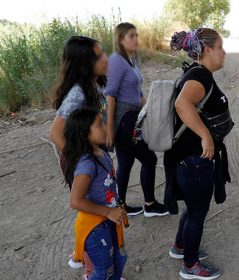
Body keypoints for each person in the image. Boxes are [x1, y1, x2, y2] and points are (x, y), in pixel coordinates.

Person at [165, 27, 232, 280]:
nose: (224, 53)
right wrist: (205, 136)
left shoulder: (198, 73)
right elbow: (182, 104)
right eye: (220, 47)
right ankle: (190, 266)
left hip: (187, 158)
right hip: (192, 159)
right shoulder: (199, 76)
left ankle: (180, 247)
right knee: (197, 213)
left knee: (193, 209)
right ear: (207, 50)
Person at [49, 35, 108, 279]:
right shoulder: (77, 93)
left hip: (92, 159)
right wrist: (82, 162)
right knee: (91, 212)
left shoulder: (95, 84)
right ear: (85, 63)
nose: (105, 58)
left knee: (97, 210)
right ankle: (90, 270)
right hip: (83, 164)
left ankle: (84, 257)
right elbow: (55, 133)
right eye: (99, 55)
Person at [105, 22, 168, 217]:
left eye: (136, 35)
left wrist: (151, 110)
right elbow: (110, 94)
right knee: (149, 159)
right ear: (120, 39)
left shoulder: (131, 60)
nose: (136, 39)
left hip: (133, 117)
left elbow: (138, 92)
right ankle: (149, 205)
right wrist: (109, 128)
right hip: (124, 120)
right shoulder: (116, 60)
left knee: (125, 163)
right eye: (131, 35)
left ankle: (120, 206)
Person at [63, 108, 127, 280]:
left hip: (109, 221)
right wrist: (108, 211)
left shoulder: (101, 152)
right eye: (100, 125)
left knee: (119, 260)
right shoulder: (86, 164)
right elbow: (75, 201)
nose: (105, 127)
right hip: (96, 228)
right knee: (103, 271)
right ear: (84, 133)